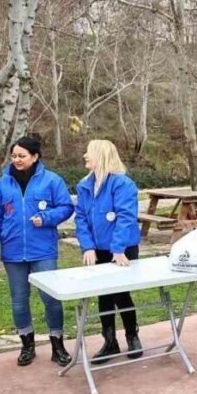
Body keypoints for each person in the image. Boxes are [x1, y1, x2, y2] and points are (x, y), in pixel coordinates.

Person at [0, 136, 75, 367]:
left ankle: (58, 345)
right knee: (19, 301)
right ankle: (27, 346)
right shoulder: (3, 184)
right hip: (13, 252)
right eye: (14, 156)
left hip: (43, 251)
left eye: (22, 156)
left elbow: (66, 207)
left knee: (51, 299)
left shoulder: (52, 181)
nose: (17, 160)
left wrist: (45, 218)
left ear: (35, 157)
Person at [75, 140, 143, 363]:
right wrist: (87, 246)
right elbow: (81, 219)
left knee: (122, 294)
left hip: (122, 249)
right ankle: (110, 341)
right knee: (103, 296)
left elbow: (125, 217)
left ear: (101, 156)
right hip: (98, 249)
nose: (85, 155)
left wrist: (118, 248)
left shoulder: (122, 184)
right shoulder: (84, 185)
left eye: (89, 152)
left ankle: (132, 336)